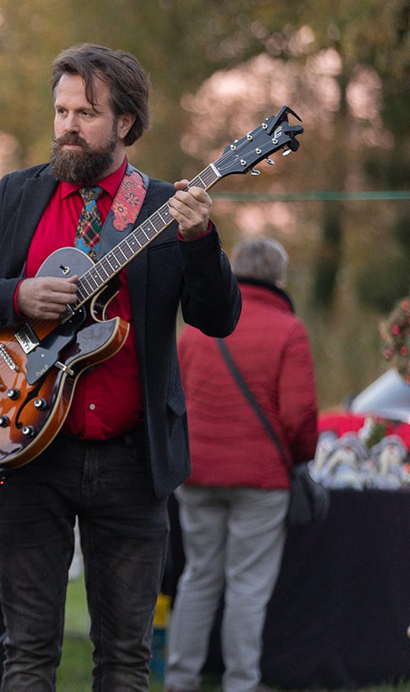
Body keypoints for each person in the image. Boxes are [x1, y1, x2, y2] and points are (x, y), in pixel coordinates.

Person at [0, 43, 242, 691]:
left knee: (125, 656)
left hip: (132, 462)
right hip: (26, 446)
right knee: (28, 649)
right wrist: (18, 296)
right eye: (61, 110)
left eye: (87, 113)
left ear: (126, 123)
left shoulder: (160, 208)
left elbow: (218, 319)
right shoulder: (15, 198)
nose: (68, 125)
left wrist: (199, 242)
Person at [164, 237, 318, 692]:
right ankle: (241, 682)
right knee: (248, 584)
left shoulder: (194, 330)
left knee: (197, 576)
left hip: (196, 473)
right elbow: (299, 417)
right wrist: (302, 460)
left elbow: (175, 400)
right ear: (279, 279)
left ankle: (180, 678)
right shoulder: (289, 331)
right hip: (261, 479)